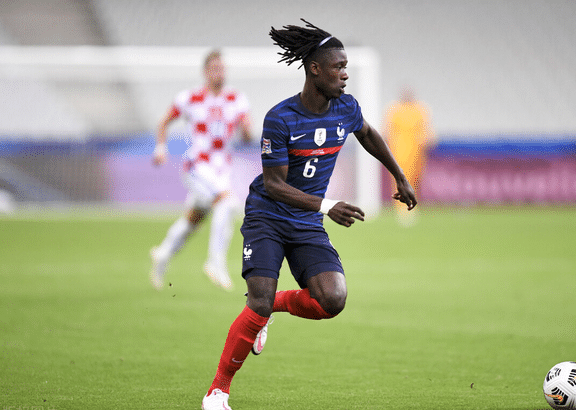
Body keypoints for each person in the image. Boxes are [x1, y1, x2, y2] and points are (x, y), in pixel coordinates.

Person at [201, 20, 417, 410]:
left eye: (346, 66)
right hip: (268, 218)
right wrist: (327, 205)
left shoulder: (346, 108)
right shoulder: (281, 118)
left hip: (305, 223)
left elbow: (368, 134)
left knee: (332, 299)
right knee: (258, 300)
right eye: (338, 66)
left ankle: (273, 307)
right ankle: (218, 391)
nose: (345, 74)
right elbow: (274, 185)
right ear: (315, 69)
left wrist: (399, 176)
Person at [150, 50, 253, 291]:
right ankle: (215, 263)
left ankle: (163, 253)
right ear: (206, 72)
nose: (220, 73)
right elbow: (164, 121)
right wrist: (161, 148)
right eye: (215, 69)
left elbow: (247, 133)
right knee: (226, 202)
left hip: (221, 169)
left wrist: (247, 130)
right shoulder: (190, 98)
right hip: (197, 166)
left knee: (194, 218)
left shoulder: (236, 99)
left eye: (222, 68)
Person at [384, 86, 435, 226]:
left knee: (415, 178)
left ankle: (412, 204)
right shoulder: (394, 110)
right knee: (400, 178)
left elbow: (427, 130)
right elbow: (388, 131)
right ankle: (402, 208)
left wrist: (427, 138)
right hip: (399, 151)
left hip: (416, 152)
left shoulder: (420, 109)